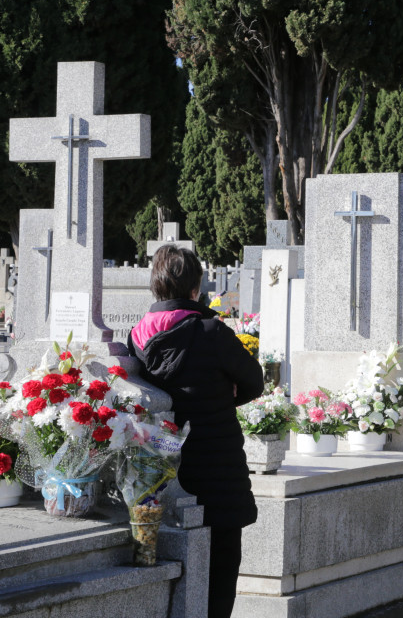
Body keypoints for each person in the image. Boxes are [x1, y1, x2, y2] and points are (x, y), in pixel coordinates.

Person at [130, 244, 264, 618]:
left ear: (156, 287)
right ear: (195, 288)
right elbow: (255, 380)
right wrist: (223, 393)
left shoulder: (136, 339)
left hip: (164, 471)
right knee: (220, 577)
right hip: (218, 470)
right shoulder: (211, 331)